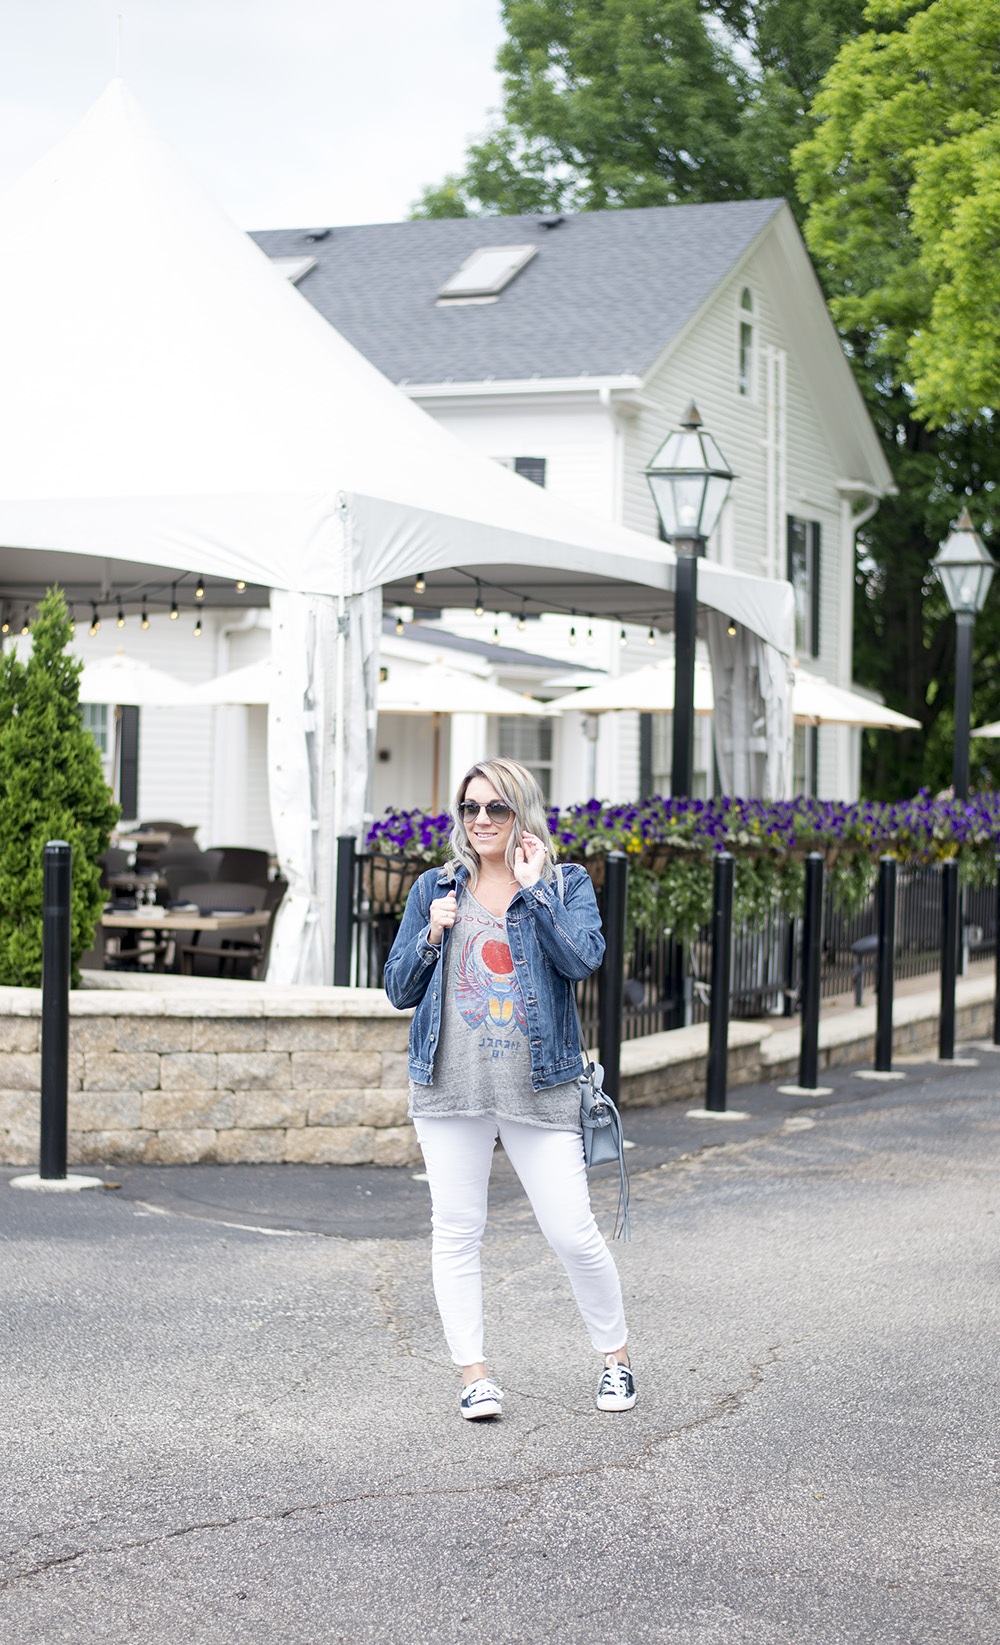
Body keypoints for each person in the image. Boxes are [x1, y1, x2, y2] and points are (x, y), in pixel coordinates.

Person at [383, 757, 636, 1421]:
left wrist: (535, 891)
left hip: (542, 1085)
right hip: (449, 1085)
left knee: (573, 1231)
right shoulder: (434, 889)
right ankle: (474, 1375)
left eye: (496, 808)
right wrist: (433, 933)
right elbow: (397, 988)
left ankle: (616, 1359)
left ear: (522, 811)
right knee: (457, 1231)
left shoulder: (564, 882)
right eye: (470, 808)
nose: (482, 820)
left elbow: (583, 959)